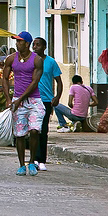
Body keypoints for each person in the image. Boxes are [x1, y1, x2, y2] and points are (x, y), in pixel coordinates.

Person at [0, 31, 44, 176]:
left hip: (34, 100)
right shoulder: (11, 59)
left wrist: (20, 99)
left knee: (34, 130)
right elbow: (4, 78)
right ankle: (21, 164)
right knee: (19, 134)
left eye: (20, 41)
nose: (17, 44)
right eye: (16, 41)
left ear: (27, 43)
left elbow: (34, 82)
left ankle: (31, 162)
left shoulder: (37, 60)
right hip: (17, 99)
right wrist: (8, 98)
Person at [31, 37, 62, 171]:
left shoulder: (51, 62)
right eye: (34, 45)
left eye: (38, 45)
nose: (35, 47)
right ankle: (33, 159)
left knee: (43, 130)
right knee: (33, 130)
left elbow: (59, 81)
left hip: (45, 100)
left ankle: (41, 159)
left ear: (44, 47)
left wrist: (57, 97)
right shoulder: (30, 60)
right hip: (32, 98)